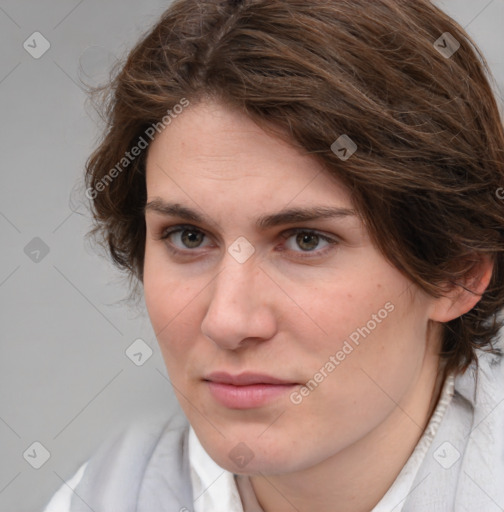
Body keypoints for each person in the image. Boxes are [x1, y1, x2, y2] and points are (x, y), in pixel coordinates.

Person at [43, 0, 504, 510]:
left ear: (457, 271)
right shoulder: (101, 496)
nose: (227, 320)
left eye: (307, 239)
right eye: (189, 237)